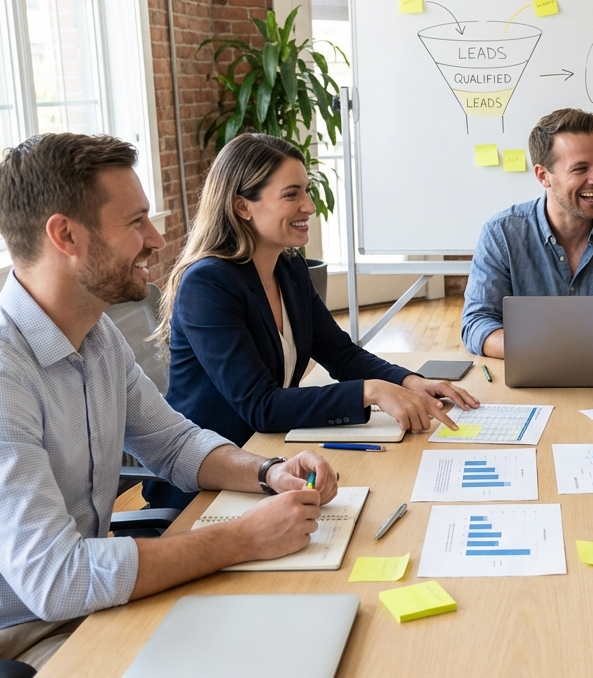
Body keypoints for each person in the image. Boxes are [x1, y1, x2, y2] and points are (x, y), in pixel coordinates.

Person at [0, 132, 338, 678]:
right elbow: (59, 578)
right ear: (65, 236)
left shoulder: (94, 337)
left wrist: (266, 474)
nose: (156, 239)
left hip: (70, 618)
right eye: (136, 221)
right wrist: (240, 538)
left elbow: (175, 445)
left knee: (272, 650)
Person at [149, 133, 478, 509]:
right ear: (243, 206)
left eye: (306, 191)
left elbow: (341, 355)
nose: (309, 206)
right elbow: (262, 406)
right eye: (291, 195)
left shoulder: (289, 268)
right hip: (215, 481)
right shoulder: (208, 284)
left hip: (272, 457)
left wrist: (409, 382)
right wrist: (371, 391)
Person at [460, 108, 593, 359]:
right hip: (535, 378)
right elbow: (477, 323)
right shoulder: (501, 234)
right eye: (580, 169)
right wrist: (553, 353)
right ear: (544, 176)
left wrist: (587, 354)